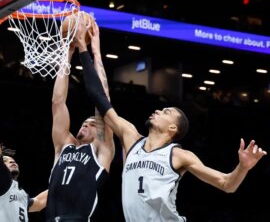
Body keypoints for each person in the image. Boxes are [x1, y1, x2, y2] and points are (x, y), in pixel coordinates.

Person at [77, 22, 268, 221]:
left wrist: (243, 167)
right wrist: (86, 49)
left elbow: (227, 184)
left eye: (166, 111)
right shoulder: (130, 137)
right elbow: (98, 96)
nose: (158, 110)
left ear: (172, 127)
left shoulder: (179, 155)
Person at [45, 13, 115, 221]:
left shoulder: (100, 149)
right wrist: (67, 53)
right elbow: (58, 103)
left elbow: (103, 100)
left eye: (91, 123)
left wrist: (95, 51)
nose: (86, 124)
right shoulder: (63, 146)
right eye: (84, 122)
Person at [0, 65, 47, 221]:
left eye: (13, 160)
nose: (13, 162)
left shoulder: (19, 194)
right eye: (6, 161)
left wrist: (66, 178)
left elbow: (40, 202)